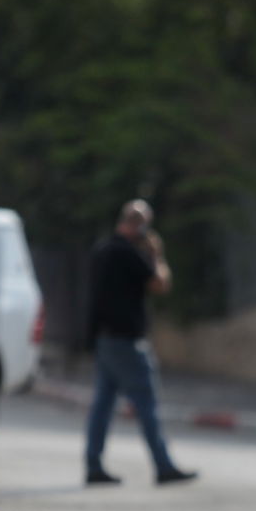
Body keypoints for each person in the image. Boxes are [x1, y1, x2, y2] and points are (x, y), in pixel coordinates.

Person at [84, 200, 196, 486]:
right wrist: (157, 254)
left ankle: (93, 465)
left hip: (105, 340)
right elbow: (160, 284)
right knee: (147, 403)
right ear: (138, 224)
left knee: (103, 406)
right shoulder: (128, 253)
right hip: (127, 342)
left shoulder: (102, 250)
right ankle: (163, 465)